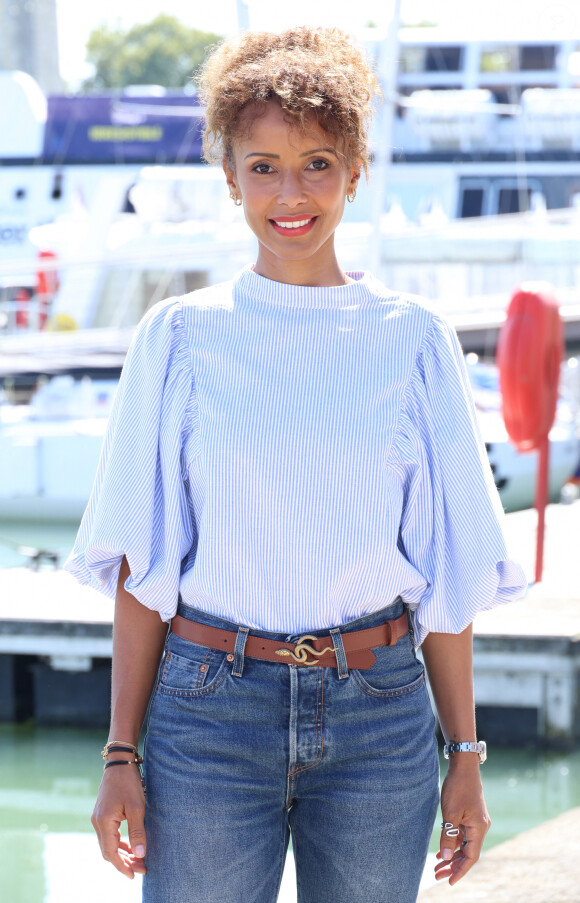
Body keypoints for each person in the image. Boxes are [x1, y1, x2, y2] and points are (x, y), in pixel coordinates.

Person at [65, 26, 527, 903]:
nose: (291, 192)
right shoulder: (178, 337)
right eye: (263, 165)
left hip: (379, 717)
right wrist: (120, 753)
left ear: (355, 170)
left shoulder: (415, 341)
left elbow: (445, 573)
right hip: (206, 714)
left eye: (317, 163)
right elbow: (141, 563)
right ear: (230, 174)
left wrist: (464, 755)